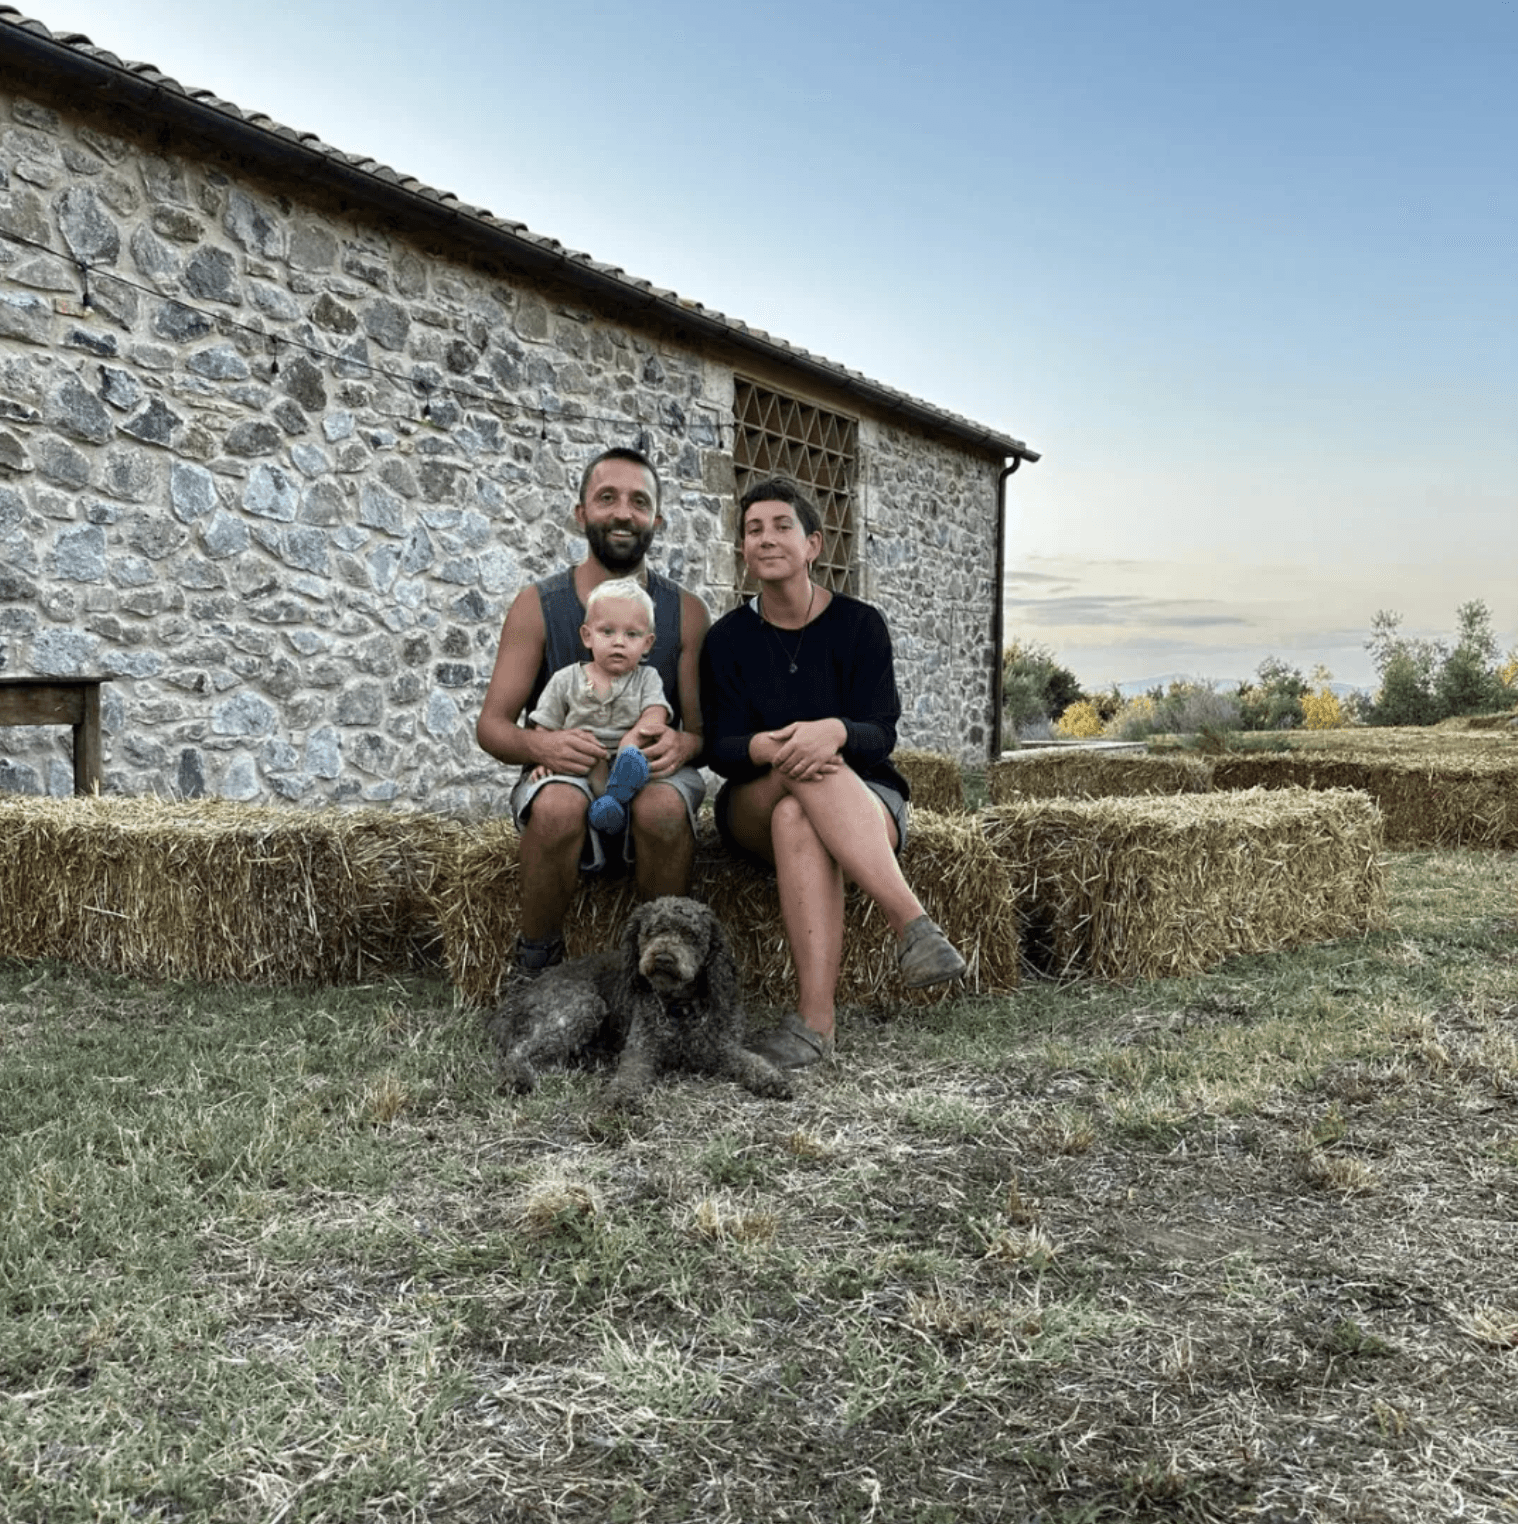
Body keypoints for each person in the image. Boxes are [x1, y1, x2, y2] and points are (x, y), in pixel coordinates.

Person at [699, 477, 966, 1070]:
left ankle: (814, 1026)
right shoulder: (727, 640)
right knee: (797, 779)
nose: (766, 538)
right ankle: (914, 926)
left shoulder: (860, 625)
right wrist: (776, 746)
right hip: (754, 800)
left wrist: (836, 732)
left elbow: (881, 734)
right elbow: (720, 748)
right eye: (753, 530)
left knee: (804, 806)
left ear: (814, 543)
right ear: (743, 548)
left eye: (781, 526)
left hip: (863, 794)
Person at [477, 447, 709, 978]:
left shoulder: (687, 613)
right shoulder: (539, 605)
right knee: (556, 808)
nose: (623, 513)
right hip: (568, 768)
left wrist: (686, 744)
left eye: (639, 501)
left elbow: (701, 729)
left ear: (657, 518)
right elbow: (491, 726)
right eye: (607, 498)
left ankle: (659, 972)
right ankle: (536, 965)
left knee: (663, 810)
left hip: (649, 771)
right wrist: (542, 745)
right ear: (581, 513)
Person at [523, 576, 669, 835]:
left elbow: (655, 714)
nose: (619, 642)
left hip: (628, 760)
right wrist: (542, 757)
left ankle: (615, 800)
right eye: (607, 631)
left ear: (647, 643)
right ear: (587, 636)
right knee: (586, 756)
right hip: (582, 761)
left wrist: (631, 741)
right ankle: (611, 805)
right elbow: (545, 724)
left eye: (632, 634)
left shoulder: (647, 678)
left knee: (640, 770)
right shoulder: (566, 679)